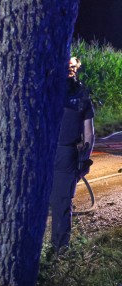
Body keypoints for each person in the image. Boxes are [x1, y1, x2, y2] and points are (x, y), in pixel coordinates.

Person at [49, 56, 95, 253]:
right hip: (66, 157)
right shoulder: (83, 96)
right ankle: (58, 253)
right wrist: (83, 162)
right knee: (61, 207)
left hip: (47, 155)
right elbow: (89, 135)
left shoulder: (49, 92)